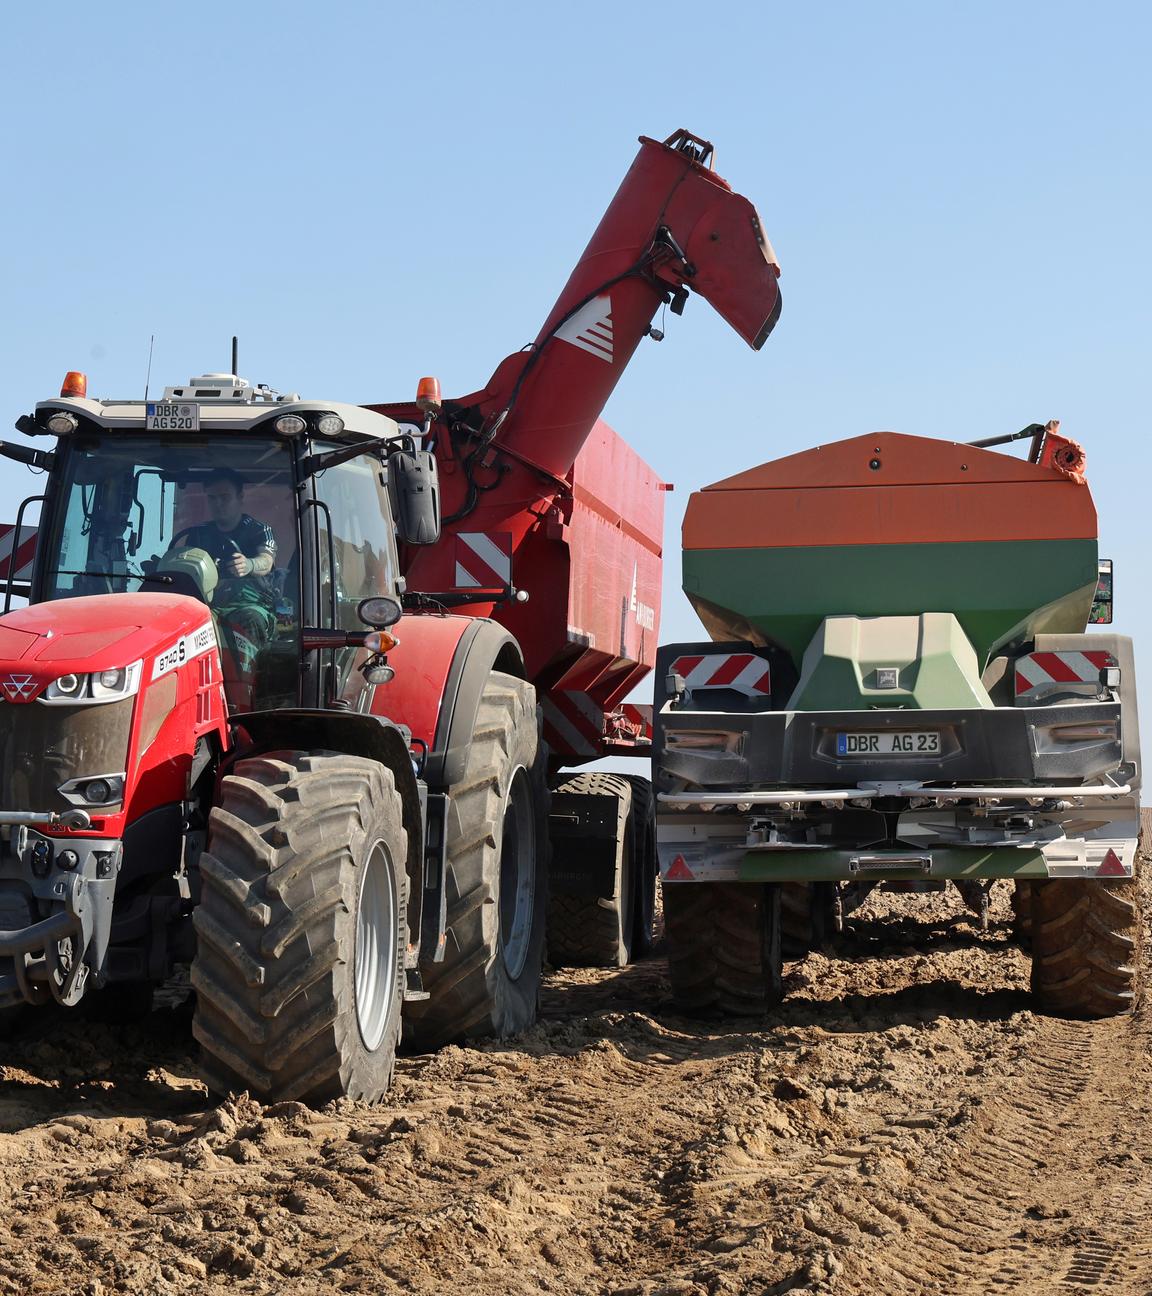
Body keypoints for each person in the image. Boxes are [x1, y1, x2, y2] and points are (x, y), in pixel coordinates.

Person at [172, 468, 279, 705]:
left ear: (240, 497)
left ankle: (244, 695)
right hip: (210, 603)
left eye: (224, 497)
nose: (218, 504)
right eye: (212, 498)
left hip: (251, 603)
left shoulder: (259, 530)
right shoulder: (199, 535)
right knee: (186, 624)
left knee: (250, 618)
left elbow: (267, 560)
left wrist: (250, 564)